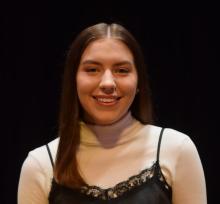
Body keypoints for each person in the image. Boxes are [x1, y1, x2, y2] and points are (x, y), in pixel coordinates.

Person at [18, 22, 207, 204]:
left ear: (139, 81)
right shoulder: (41, 164)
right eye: (92, 69)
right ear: (73, 80)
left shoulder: (177, 150)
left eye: (122, 70)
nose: (107, 83)